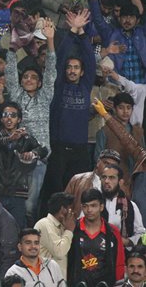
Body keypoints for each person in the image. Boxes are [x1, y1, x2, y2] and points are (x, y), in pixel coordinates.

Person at [43, 10, 97, 200]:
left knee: (79, 195)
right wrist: (73, 31)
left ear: (82, 72)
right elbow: (59, 59)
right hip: (59, 148)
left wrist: (82, 33)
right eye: (69, 67)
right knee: (56, 195)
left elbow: (90, 60)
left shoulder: (85, 85)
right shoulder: (57, 86)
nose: (72, 71)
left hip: (81, 149)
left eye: (76, 68)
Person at [0, 103, 49, 228]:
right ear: (1, 119)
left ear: (19, 119)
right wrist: (9, 139)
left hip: (18, 192)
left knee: (17, 228)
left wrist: (33, 153)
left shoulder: (26, 138)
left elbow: (43, 149)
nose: (9, 119)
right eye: (5, 115)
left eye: (13, 116)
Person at [68, 188, 126, 286]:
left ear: (101, 206)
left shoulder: (113, 232)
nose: (89, 210)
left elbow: (119, 262)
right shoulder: (73, 229)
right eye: (85, 206)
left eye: (93, 206)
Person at [99, 163, 146, 247]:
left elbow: (141, 234)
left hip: (123, 251)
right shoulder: (93, 203)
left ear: (120, 182)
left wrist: (127, 242)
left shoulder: (131, 206)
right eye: (104, 177)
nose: (106, 181)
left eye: (111, 178)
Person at [34, 192, 75, 279]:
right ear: (62, 209)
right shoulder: (45, 224)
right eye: (69, 209)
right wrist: (69, 230)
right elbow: (59, 252)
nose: (71, 213)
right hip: (46, 280)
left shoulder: (62, 226)